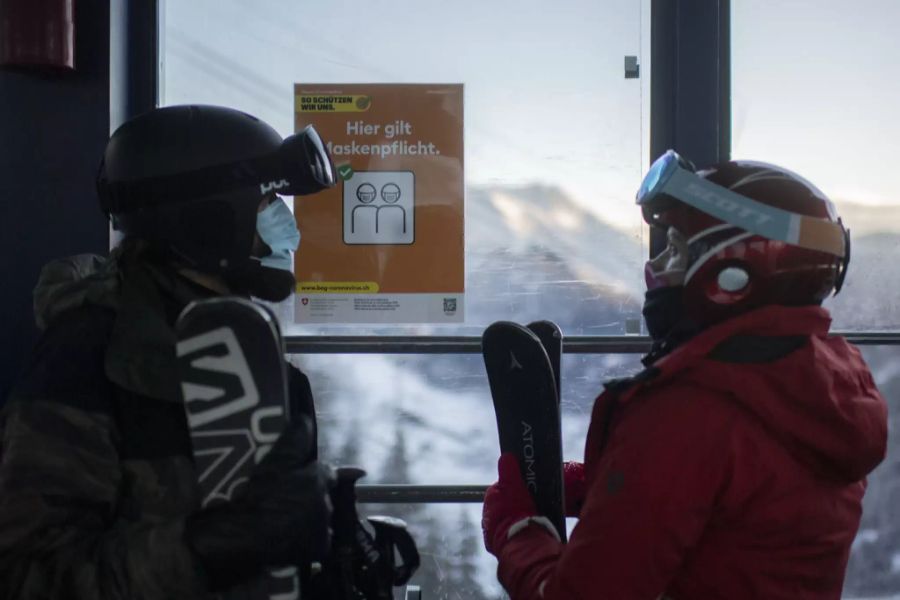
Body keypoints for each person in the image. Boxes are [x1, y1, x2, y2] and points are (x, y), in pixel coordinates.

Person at [481, 151, 889, 599]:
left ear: (732, 274)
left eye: (676, 250)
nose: (655, 269)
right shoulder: (824, 381)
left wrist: (519, 532)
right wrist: (609, 485)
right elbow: (740, 508)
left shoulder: (690, 408)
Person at [0, 105, 338, 598]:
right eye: (267, 202)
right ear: (205, 219)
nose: (286, 226)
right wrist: (208, 547)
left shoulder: (244, 349)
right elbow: (26, 576)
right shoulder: (90, 353)